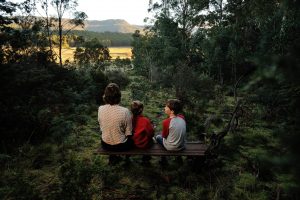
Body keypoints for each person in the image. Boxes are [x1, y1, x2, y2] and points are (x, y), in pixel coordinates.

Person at [98, 83, 133, 152]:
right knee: (132, 139)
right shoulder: (125, 111)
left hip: (105, 144)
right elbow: (128, 133)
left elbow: (101, 127)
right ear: (119, 96)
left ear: (105, 96)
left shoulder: (100, 108)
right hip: (120, 146)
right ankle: (127, 160)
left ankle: (113, 159)